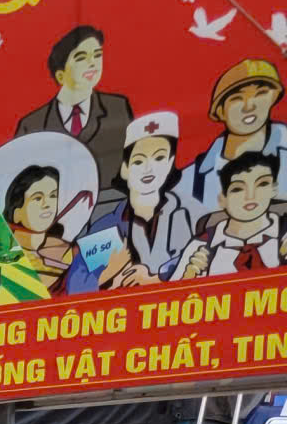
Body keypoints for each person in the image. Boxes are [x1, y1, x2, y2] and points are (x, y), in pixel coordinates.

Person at [12, 23, 133, 201]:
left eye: (97, 55)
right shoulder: (32, 124)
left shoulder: (118, 107)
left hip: (111, 206)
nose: (93, 63)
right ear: (60, 74)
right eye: (80, 57)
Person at [83, 113, 194, 288]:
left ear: (170, 163)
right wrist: (108, 274)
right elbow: (77, 283)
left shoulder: (191, 213)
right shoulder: (107, 227)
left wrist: (159, 276)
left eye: (159, 158)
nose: (148, 169)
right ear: (125, 169)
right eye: (138, 161)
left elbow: (205, 254)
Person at [178, 57, 287, 224]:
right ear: (220, 111)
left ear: (273, 98)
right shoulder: (191, 179)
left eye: (261, 94)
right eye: (237, 98)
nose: (249, 106)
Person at [180, 149, 282, 276]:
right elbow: (167, 294)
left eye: (262, 184)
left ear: (274, 189)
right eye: (238, 188)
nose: (250, 196)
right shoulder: (200, 246)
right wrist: (188, 277)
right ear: (222, 199)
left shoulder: (283, 234)